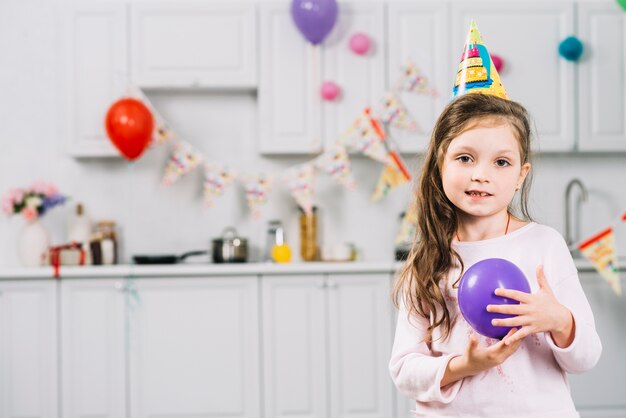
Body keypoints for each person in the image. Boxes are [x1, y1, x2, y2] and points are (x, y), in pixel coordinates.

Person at [389, 91, 602, 417]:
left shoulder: (544, 245)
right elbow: (404, 372)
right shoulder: (427, 259)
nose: (481, 174)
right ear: (440, 164)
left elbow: (586, 357)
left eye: (501, 162)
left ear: (520, 175)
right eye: (465, 158)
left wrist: (558, 320)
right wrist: (464, 365)